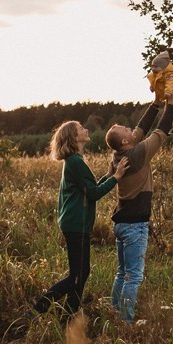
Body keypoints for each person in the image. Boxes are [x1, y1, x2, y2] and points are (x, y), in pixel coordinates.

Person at [29, 120, 129, 321]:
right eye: (81, 128)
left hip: (75, 224)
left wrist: (108, 175)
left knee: (81, 274)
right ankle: (37, 310)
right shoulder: (75, 161)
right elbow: (93, 194)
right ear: (74, 137)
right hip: (76, 225)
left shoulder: (76, 160)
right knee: (77, 275)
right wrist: (116, 177)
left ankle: (68, 316)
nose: (86, 129)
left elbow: (88, 188)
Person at [104, 83, 173, 324]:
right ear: (126, 142)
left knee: (122, 273)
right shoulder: (137, 154)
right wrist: (172, 105)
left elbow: (141, 128)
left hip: (121, 224)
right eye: (125, 130)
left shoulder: (120, 155)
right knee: (134, 277)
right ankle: (126, 323)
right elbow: (160, 132)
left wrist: (157, 103)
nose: (131, 129)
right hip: (135, 225)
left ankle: (114, 312)